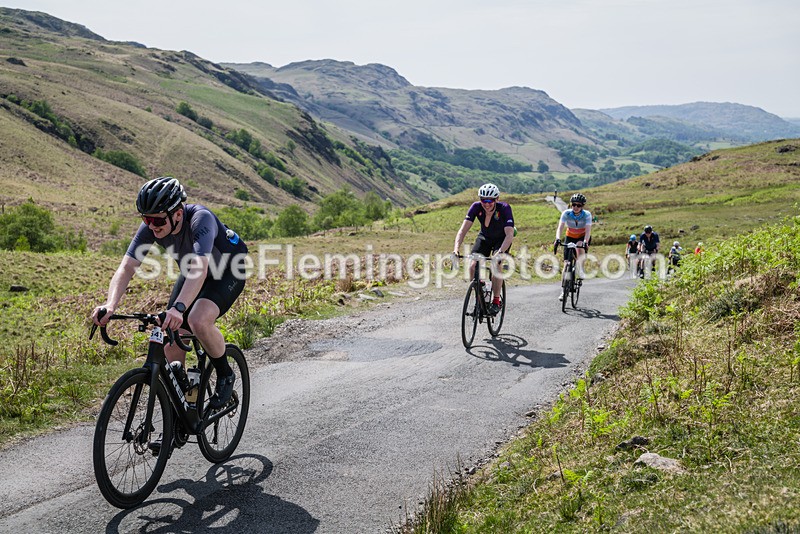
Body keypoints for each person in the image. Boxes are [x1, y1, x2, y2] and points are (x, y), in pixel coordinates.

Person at [91, 176, 248, 409]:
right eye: (146, 219)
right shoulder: (152, 226)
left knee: (197, 320)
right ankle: (182, 410)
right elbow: (127, 267)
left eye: (156, 220)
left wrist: (179, 308)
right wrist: (110, 304)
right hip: (193, 272)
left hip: (227, 271)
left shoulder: (200, 219)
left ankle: (225, 374)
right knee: (170, 335)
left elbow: (200, 267)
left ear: (177, 213)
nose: (152, 226)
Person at [453, 183, 515, 315]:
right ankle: (480, 296)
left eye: (490, 201)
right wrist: (456, 249)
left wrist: (500, 253)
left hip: (502, 240)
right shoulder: (476, 207)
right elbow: (462, 231)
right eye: (483, 200)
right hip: (485, 237)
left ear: (496, 199)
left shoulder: (504, 208)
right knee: (472, 266)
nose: (487, 204)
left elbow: (509, 235)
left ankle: (496, 301)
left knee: (496, 264)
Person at [554, 193, 592, 300]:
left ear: (582, 206)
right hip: (569, 236)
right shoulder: (566, 213)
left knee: (579, 246)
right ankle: (563, 291)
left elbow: (588, 230)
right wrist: (557, 238)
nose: (575, 207)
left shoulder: (587, 215)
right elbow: (560, 228)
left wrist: (585, 241)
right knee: (566, 263)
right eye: (574, 204)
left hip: (582, 236)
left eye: (578, 205)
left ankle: (581, 268)